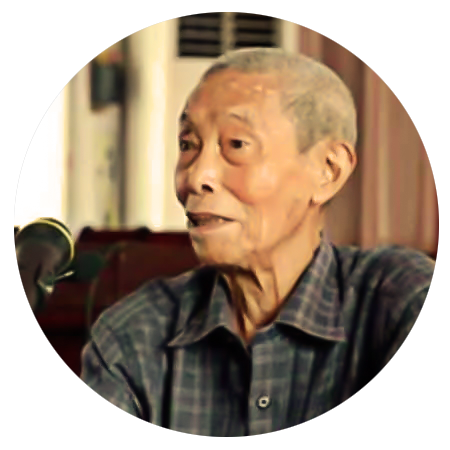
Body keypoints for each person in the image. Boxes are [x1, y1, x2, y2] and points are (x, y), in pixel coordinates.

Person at [80, 48, 435, 436]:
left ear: (328, 170)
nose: (196, 177)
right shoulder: (131, 338)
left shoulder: (406, 304)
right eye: (187, 144)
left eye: (236, 145)